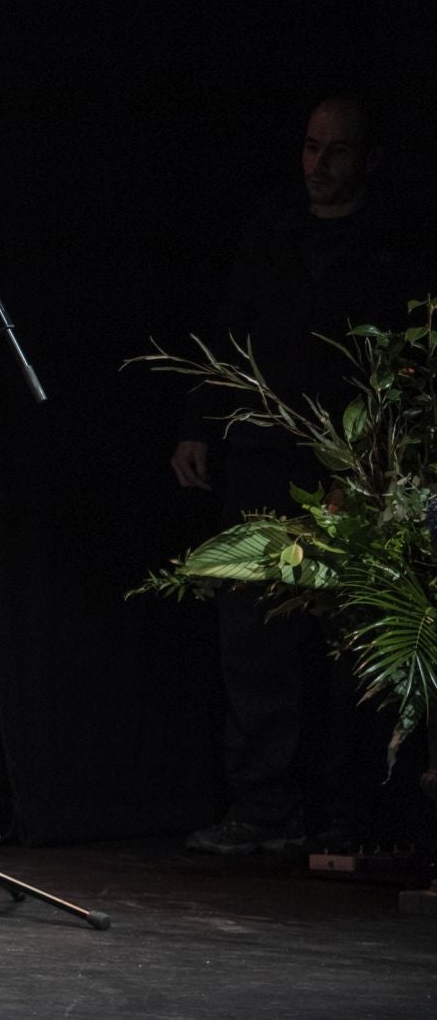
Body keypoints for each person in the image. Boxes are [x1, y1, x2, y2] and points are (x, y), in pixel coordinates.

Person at [172, 93, 420, 856]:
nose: (320, 165)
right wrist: (197, 427)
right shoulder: (272, 230)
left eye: (337, 150)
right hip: (261, 460)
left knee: (351, 645)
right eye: (312, 148)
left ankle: (353, 815)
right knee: (253, 640)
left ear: (368, 160)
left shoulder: (393, 244)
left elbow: (407, 361)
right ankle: (263, 813)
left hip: (353, 465)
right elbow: (229, 332)